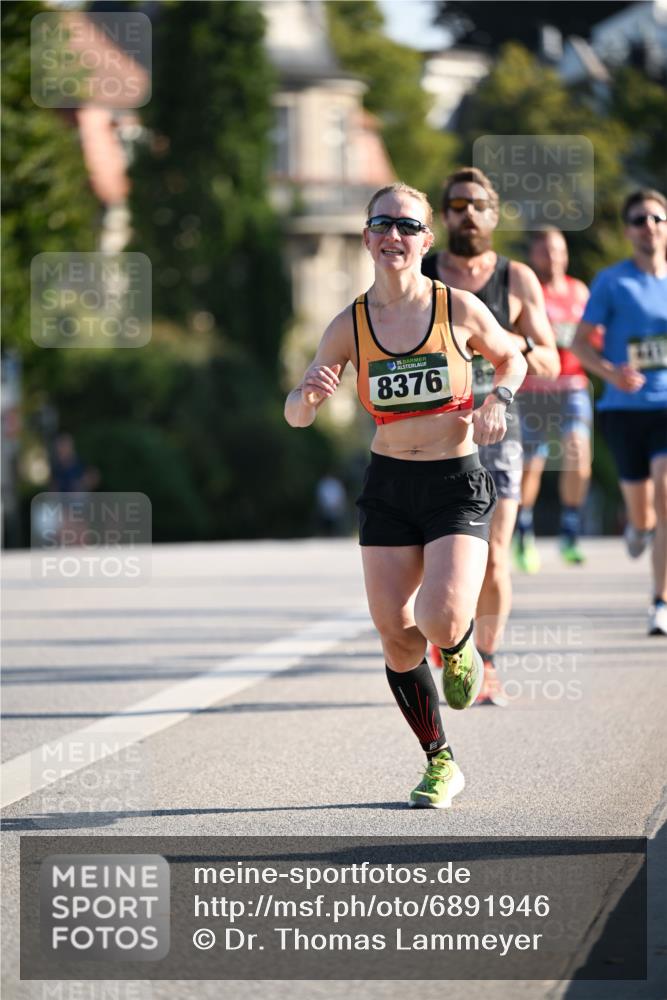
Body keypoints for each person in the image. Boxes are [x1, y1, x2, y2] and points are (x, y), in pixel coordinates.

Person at [285, 182, 527, 807]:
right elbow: (297, 416)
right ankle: (440, 760)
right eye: (382, 224)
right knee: (396, 633)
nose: (394, 235)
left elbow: (512, 359)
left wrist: (498, 398)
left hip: (454, 480)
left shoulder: (458, 308)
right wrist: (307, 395)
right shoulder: (351, 324)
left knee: (438, 619)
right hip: (388, 485)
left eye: (407, 225)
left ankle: (461, 642)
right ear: (367, 237)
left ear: (426, 240)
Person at [422, 167, 559, 704]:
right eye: (457, 204)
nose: (468, 213)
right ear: (444, 214)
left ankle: (489, 663)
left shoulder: (516, 278)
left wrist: (504, 347)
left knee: (496, 554)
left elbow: (549, 357)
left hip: (499, 429)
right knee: (429, 556)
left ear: (493, 214)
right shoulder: (424, 272)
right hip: (430, 434)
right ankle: (450, 637)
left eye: (478, 204)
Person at [572, 188, 667, 636]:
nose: (647, 226)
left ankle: (660, 602)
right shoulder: (613, 281)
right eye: (637, 220)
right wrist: (612, 373)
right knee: (645, 513)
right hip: (624, 409)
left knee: (665, 497)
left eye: (655, 218)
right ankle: (638, 528)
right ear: (628, 230)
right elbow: (578, 344)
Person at [514, 228, 593, 572]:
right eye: (545, 251)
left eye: (558, 250)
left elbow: (594, 338)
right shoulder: (527, 290)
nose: (553, 257)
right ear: (534, 255)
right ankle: (523, 529)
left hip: (573, 384)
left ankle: (570, 529)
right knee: (531, 464)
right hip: (534, 388)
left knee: (578, 450)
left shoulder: (579, 291)